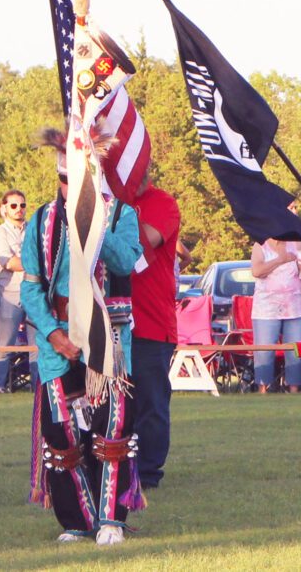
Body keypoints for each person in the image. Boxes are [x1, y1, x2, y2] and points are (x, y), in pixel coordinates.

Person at [21, 132, 144, 544]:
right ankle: (77, 521)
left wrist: (91, 225)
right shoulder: (40, 222)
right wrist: (54, 334)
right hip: (58, 343)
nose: (68, 190)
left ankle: (111, 519)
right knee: (62, 434)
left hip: (109, 341)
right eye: (63, 181)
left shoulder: (121, 213)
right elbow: (30, 286)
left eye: (76, 181)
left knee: (112, 429)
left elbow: (128, 259)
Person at [129, 172, 181, 489]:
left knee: (150, 401)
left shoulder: (162, 203)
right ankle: (114, 463)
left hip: (150, 322)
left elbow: (145, 241)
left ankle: (148, 472)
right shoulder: (105, 202)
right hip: (108, 324)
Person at [0, 189, 38, 391]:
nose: (19, 209)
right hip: (10, 295)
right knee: (4, 345)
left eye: (22, 205)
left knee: (38, 346)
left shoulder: (33, 230)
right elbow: (9, 263)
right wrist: (35, 262)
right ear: (3, 209)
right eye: (14, 205)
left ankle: (39, 389)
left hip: (34, 292)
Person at [250, 233, 301, 394]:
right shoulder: (260, 245)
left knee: (295, 349)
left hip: (293, 306)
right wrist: (280, 260)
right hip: (266, 308)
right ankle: (263, 388)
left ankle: (294, 388)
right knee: (264, 349)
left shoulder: (297, 245)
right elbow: (257, 271)